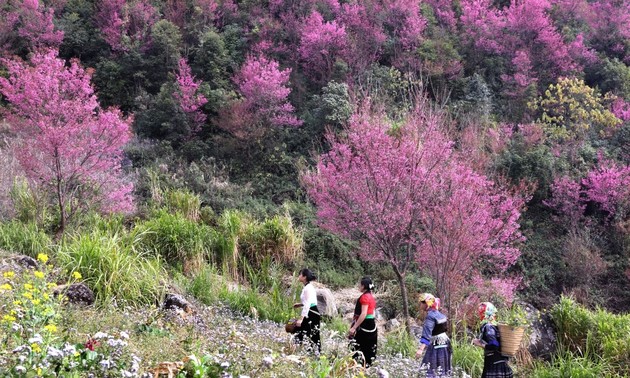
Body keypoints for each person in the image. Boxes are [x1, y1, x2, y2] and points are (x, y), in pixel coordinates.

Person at [473, 302, 513, 378]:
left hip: (495, 367)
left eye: (480, 311)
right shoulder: (496, 326)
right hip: (502, 364)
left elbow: (494, 345)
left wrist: (480, 344)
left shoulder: (488, 327)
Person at [415, 293, 451, 377]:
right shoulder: (440, 314)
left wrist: (420, 349)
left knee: (429, 369)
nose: (420, 305)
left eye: (421, 303)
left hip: (436, 344)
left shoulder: (430, 316)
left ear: (426, 303)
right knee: (442, 369)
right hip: (445, 342)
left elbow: (427, 334)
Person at [348, 277, 378, 367]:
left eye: (360, 285)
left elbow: (363, 313)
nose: (359, 286)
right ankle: (367, 365)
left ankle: (356, 365)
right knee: (369, 346)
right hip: (371, 323)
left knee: (358, 345)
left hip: (364, 324)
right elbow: (372, 312)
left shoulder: (364, 297)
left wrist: (354, 327)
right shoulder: (371, 296)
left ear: (364, 286)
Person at [292, 268, 321, 353]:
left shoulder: (308, 288)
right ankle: (307, 352)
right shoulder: (308, 287)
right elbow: (310, 301)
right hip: (311, 310)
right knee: (304, 332)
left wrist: (301, 318)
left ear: (304, 277)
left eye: (300, 274)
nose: (299, 276)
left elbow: (308, 303)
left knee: (312, 334)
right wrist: (300, 304)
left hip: (312, 312)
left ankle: (315, 353)